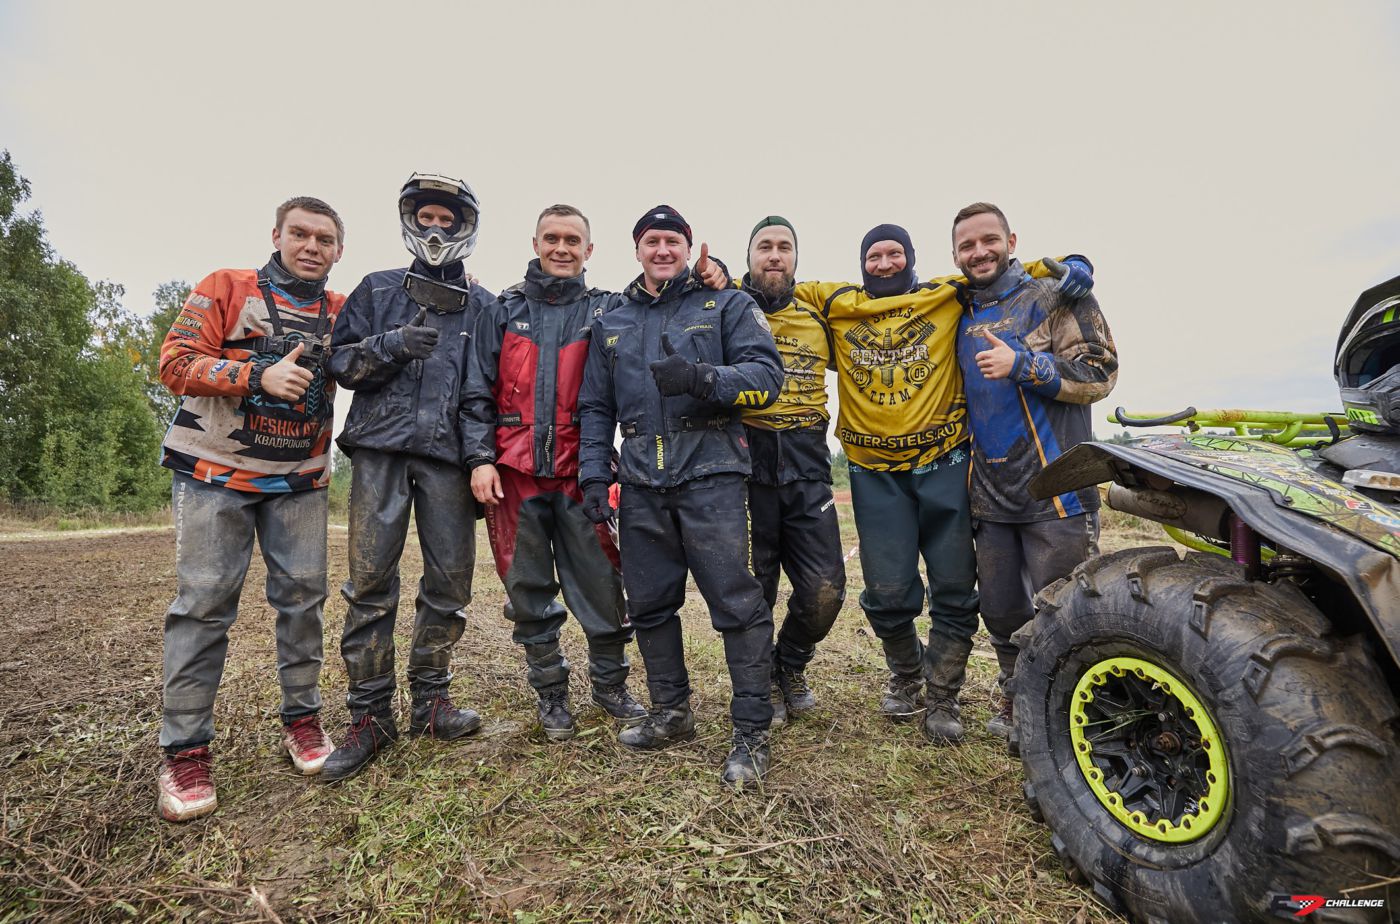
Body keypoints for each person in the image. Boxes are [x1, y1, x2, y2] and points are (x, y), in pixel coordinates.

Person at [793, 228, 1092, 744]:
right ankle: (907, 674)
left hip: (943, 462)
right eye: (873, 255)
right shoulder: (837, 301)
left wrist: (1075, 262)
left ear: (911, 258)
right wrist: (717, 275)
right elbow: (774, 280)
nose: (884, 263)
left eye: (895, 254)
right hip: (872, 470)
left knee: (954, 586)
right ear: (861, 262)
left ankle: (943, 694)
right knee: (887, 591)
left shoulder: (946, 293)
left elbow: (1013, 267)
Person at [155, 196, 347, 821]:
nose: (311, 246)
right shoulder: (226, 286)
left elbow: (384, 339)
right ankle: (185, 752)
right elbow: (174, 362)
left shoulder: (342, 309)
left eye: (324, 239)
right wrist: (254, 375)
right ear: (276, 235)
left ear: (338, 251)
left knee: (304, 599)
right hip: (213, 470)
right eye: (300, 234)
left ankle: (304, 721)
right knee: (204, 604)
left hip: (300, 478)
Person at [577, 205, 784, 785]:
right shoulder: (612, 322)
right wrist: (593, 475)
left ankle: (751, 732)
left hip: (712, 473)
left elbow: (767, 378)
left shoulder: (727, 305)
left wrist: (702, 378)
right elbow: (595, 407)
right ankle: (671, 712)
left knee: (737, 605)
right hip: (641, 481)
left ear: (688, 249)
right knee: (648, 604)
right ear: (637, 249)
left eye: (673, 240)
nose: (662, 250)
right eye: (652, 241)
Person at [321, 174, 494, 782]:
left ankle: (431, 702)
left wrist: (480, 456)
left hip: (448, 457)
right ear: (410, 220)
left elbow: (484, 391)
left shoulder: (483, 305)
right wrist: (391, 344)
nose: (436, 228)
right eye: (427, 217)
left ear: (464, 226)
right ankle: (370, 716)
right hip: (380, 451)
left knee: (450, 580)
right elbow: (340, 364)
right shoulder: (377, 288)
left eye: (447, 219)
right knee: (370, 582)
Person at [460, 204, 650, 741]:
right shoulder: (501, 310)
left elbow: (663, 295)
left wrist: (716, 275)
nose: (561, 248)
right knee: (527, 590)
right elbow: (475, 393)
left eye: (572, 240)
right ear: (535, 243)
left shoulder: (610, 308)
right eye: (552, 238)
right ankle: (550, 693)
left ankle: (610, 686)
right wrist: (479, 459)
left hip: (582, 471)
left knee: (603, 583)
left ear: (589, 250)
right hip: (512, 474)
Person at [951, 202, 1116, 738]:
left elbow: (1100, 372)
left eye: (989, 240)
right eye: (967, 245)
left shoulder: (1057, 294)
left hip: (1057, 488)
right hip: (991, 493)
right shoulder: (959, 309)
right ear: (955, 256)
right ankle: (1016, 697)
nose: (979, 252)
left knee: (1066, 610)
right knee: (1001, 611)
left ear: (1012, 241)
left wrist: (1023, 364)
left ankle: (1078, 719)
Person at [738, 217, 846, 725]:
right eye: (765, 246)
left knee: (826, 589)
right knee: (754, 586)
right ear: (749, 257)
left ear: (796, 259)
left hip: (806, 461)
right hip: (745, 460)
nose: (774, 255)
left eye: (784, 247)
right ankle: (760, 679)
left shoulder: (819, 312)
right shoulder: (727, 305)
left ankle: (791, 661)